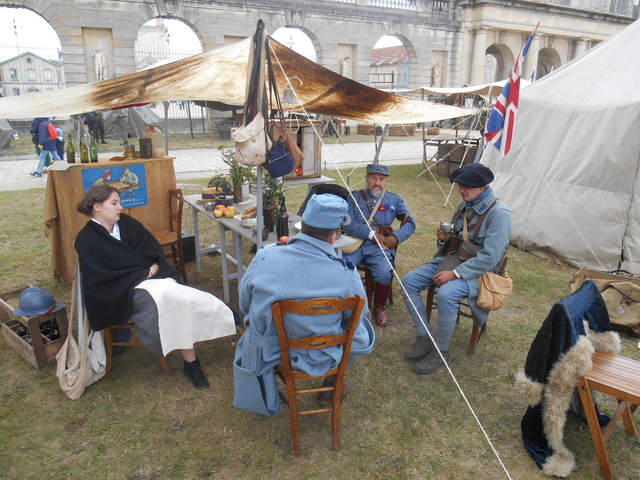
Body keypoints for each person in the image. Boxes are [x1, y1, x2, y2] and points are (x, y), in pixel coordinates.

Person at [74, 185, 236, 389]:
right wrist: (145, 272)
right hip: (120, 293)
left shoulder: (127, 224)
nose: (120, 208)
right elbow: (101, 279)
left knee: (174, 298)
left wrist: (149, 271)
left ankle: (191, 362)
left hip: (152, 280)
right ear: (97, 206)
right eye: (114, 203)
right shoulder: (86, 239)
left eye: (120, 203)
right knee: (168, 297)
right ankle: (219, 311)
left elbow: (152, 249)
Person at [233, 193, 375, 416]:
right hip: (323, 354)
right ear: (333, 236)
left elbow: (244, 304)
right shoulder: (346, 273)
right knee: (361, 331)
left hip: (272, 351)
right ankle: (331, 383)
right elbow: (359, 314)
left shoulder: (264, 258)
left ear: (302, 226)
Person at [401, 163, 512, 375]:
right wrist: (444, 239)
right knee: (409, 282)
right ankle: (424, 338)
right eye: (460, 185)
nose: (462, 189)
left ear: (483, 187)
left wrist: (454, 274)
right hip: (454, 259)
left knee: (446, 294)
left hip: (482, 272)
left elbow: (490, 256)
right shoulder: (464, 205)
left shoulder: (499, 214)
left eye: (467, 186)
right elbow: (457, 238)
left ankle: (442, 352)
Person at [342, 163, 416, 327]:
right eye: (373, 178)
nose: (377, 182)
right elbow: (347, 224)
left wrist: (396, 237)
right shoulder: (353, 197)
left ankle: (380, 306)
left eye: (381, 179)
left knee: (384, 274)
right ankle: (346, 305)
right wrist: (371, 235)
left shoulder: (394, 200)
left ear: (385, 181)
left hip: (378, 248)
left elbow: (410, 224)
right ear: (366, 178)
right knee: (342, 270)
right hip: (354, 244)